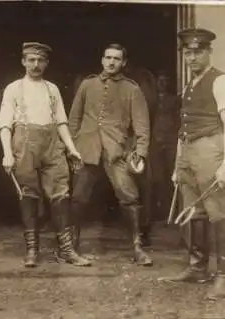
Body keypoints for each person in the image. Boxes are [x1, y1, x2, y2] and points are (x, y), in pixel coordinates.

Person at [158, 28, 225, 301]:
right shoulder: (190, 84)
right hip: (188, 152)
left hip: (210, 148)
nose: (191, 57)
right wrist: (177, 164)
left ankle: (224, 275)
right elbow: (184, 126)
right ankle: (197, 268)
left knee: (219, 212)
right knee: (195, 212)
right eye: (187, 52)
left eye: (197, 52)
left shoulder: (221, 81)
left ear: (208, 52)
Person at [0, 42, 91, 268]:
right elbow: (4, 124)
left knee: (60, 193)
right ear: (23, 62)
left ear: (46, 63)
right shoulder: (13, 88)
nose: (35, 65)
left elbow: (61, 122)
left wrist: (71, 148)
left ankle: (67, 250)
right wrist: (7, 153)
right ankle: (32, 250)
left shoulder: (52, 89)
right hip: (24, 142)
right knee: (28, 194)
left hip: (52, 144)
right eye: (31, 60)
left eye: (40, 61)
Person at [68, 43, 153, 266]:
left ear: (124, 62)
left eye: (116, 58)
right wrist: (71, 148)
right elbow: (73, 120)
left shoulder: (132, 89)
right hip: (86, 150)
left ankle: (137, 247)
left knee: (129, 197)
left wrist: (140, 154)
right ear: (102, 60)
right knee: (77, 198)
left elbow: (142, 126)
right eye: (107, 57)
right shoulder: (87, 85)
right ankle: (71, 246)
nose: (111, 62)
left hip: (117, 150)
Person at [150, 71, 180, 221]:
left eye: (165, 80)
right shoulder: (151, 100)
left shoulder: (174, 100)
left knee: (171, 175)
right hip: (155, 141)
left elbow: (177, 120)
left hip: (170, 141)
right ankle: (159, 211)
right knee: (157, 176)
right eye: (159, 80)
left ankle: (172, 211)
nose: (162, 84)